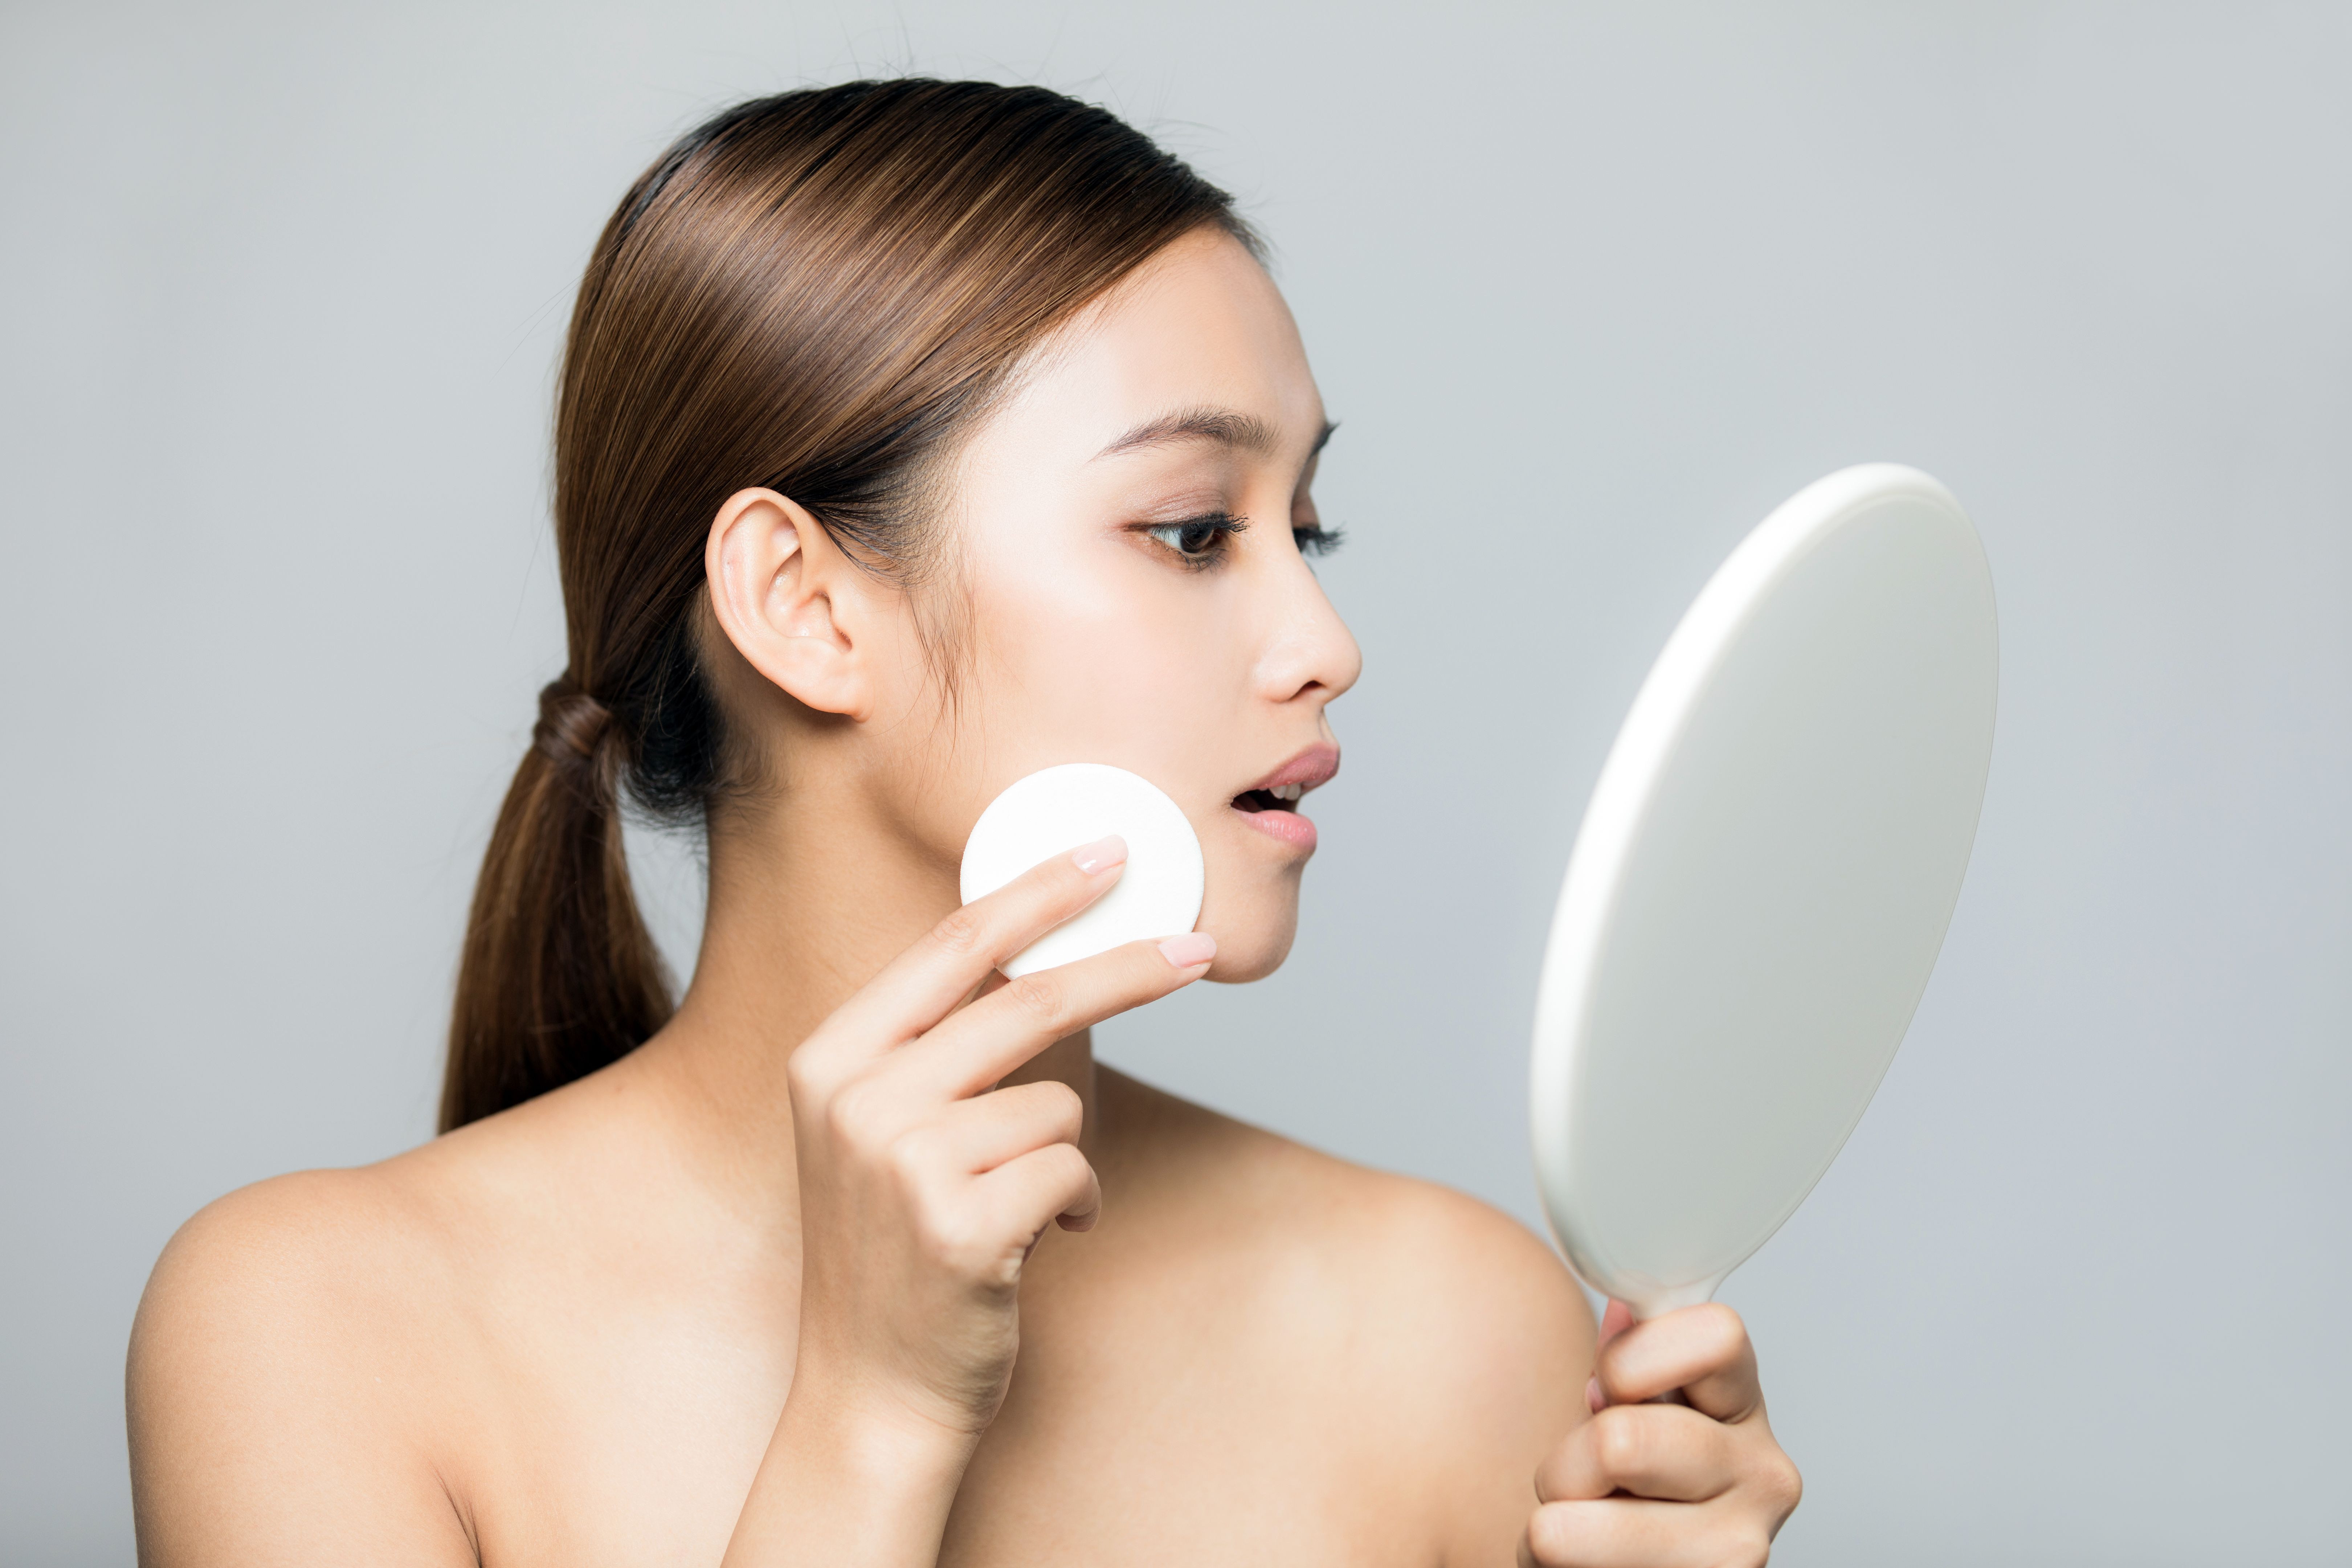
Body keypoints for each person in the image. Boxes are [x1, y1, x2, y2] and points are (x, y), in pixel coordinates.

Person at [126, 79, 1802, 1566]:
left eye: (1310, 526)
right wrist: (870, 1424)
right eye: (1192, 531)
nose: (1327, 646)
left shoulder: (1448, 1327)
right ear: (806, 603)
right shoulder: (312, 1340)